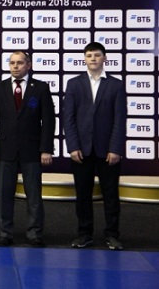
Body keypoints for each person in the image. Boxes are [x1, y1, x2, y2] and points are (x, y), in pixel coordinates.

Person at [0, 51, 55, 247]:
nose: (15, 66)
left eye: (20, 63)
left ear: (28, 65)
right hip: (5, 149)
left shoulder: (40, 88)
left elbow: (48, 120)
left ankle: (34, 234)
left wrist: (46, 149)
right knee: (4, 195)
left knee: (33, 196)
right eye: (12, 63)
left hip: (32, 150)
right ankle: (5, 233)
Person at [63, 42, 127, 250]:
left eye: (97, 55)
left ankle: (112, 235)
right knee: (83, 195)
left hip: (108, 151)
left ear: (104, 58)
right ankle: (84, 234)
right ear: (84, 59)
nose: (93, 58)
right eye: (89, 55)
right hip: (81, 150)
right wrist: (73, 146)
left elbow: (120, 119)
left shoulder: (116, 85)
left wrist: (115, 148)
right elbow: (68, 118)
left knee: (111, 195)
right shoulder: (74, 84)